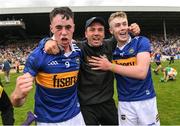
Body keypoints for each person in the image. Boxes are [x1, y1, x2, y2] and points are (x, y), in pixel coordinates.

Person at [42, 15, 140, 125]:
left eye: (100, 30)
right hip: (86, 107)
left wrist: (133, 28)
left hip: (108, 104)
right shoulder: (78, 48)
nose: (96, 33)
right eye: (92, 29)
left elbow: (123, 33)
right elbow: (60, 39)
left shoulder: (110, 44)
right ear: (85, 34)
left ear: (104, 33)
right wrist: (47, 40)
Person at [10, 7, 85, 126]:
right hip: (47, 120)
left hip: (75, 116)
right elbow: (17, 102)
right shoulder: (37, 56)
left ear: (74, 27)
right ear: (51, 28)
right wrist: (17, 96)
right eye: (59, 27)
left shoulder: (78, 50)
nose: (64, 32)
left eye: (68, 27)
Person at [88, 11, 160, 125]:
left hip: (146, 100)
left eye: (124, 24)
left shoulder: (141, 41)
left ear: (128, 26)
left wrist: (110, 66)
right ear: (111, 31)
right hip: (125, 103)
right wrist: (49, 40)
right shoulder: (109, 49)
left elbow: (141, 72)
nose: (122, 28)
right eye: (117, 25)